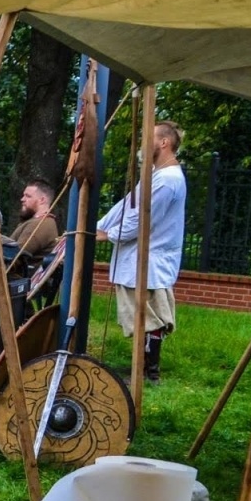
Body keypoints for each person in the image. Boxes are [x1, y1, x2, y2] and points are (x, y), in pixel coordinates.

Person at [97, 121, 187, 383]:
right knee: (141, 315)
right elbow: (128, 206)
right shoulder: (155, 175)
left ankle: (149, 372)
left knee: (149, 317)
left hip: (150, 258)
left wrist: (110, 234)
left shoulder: (167, 180)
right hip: (140, 257)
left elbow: (141, 219)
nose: (142, 144)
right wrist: (98, 226)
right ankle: (142, 367)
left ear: (164, 143)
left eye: (149, 138)